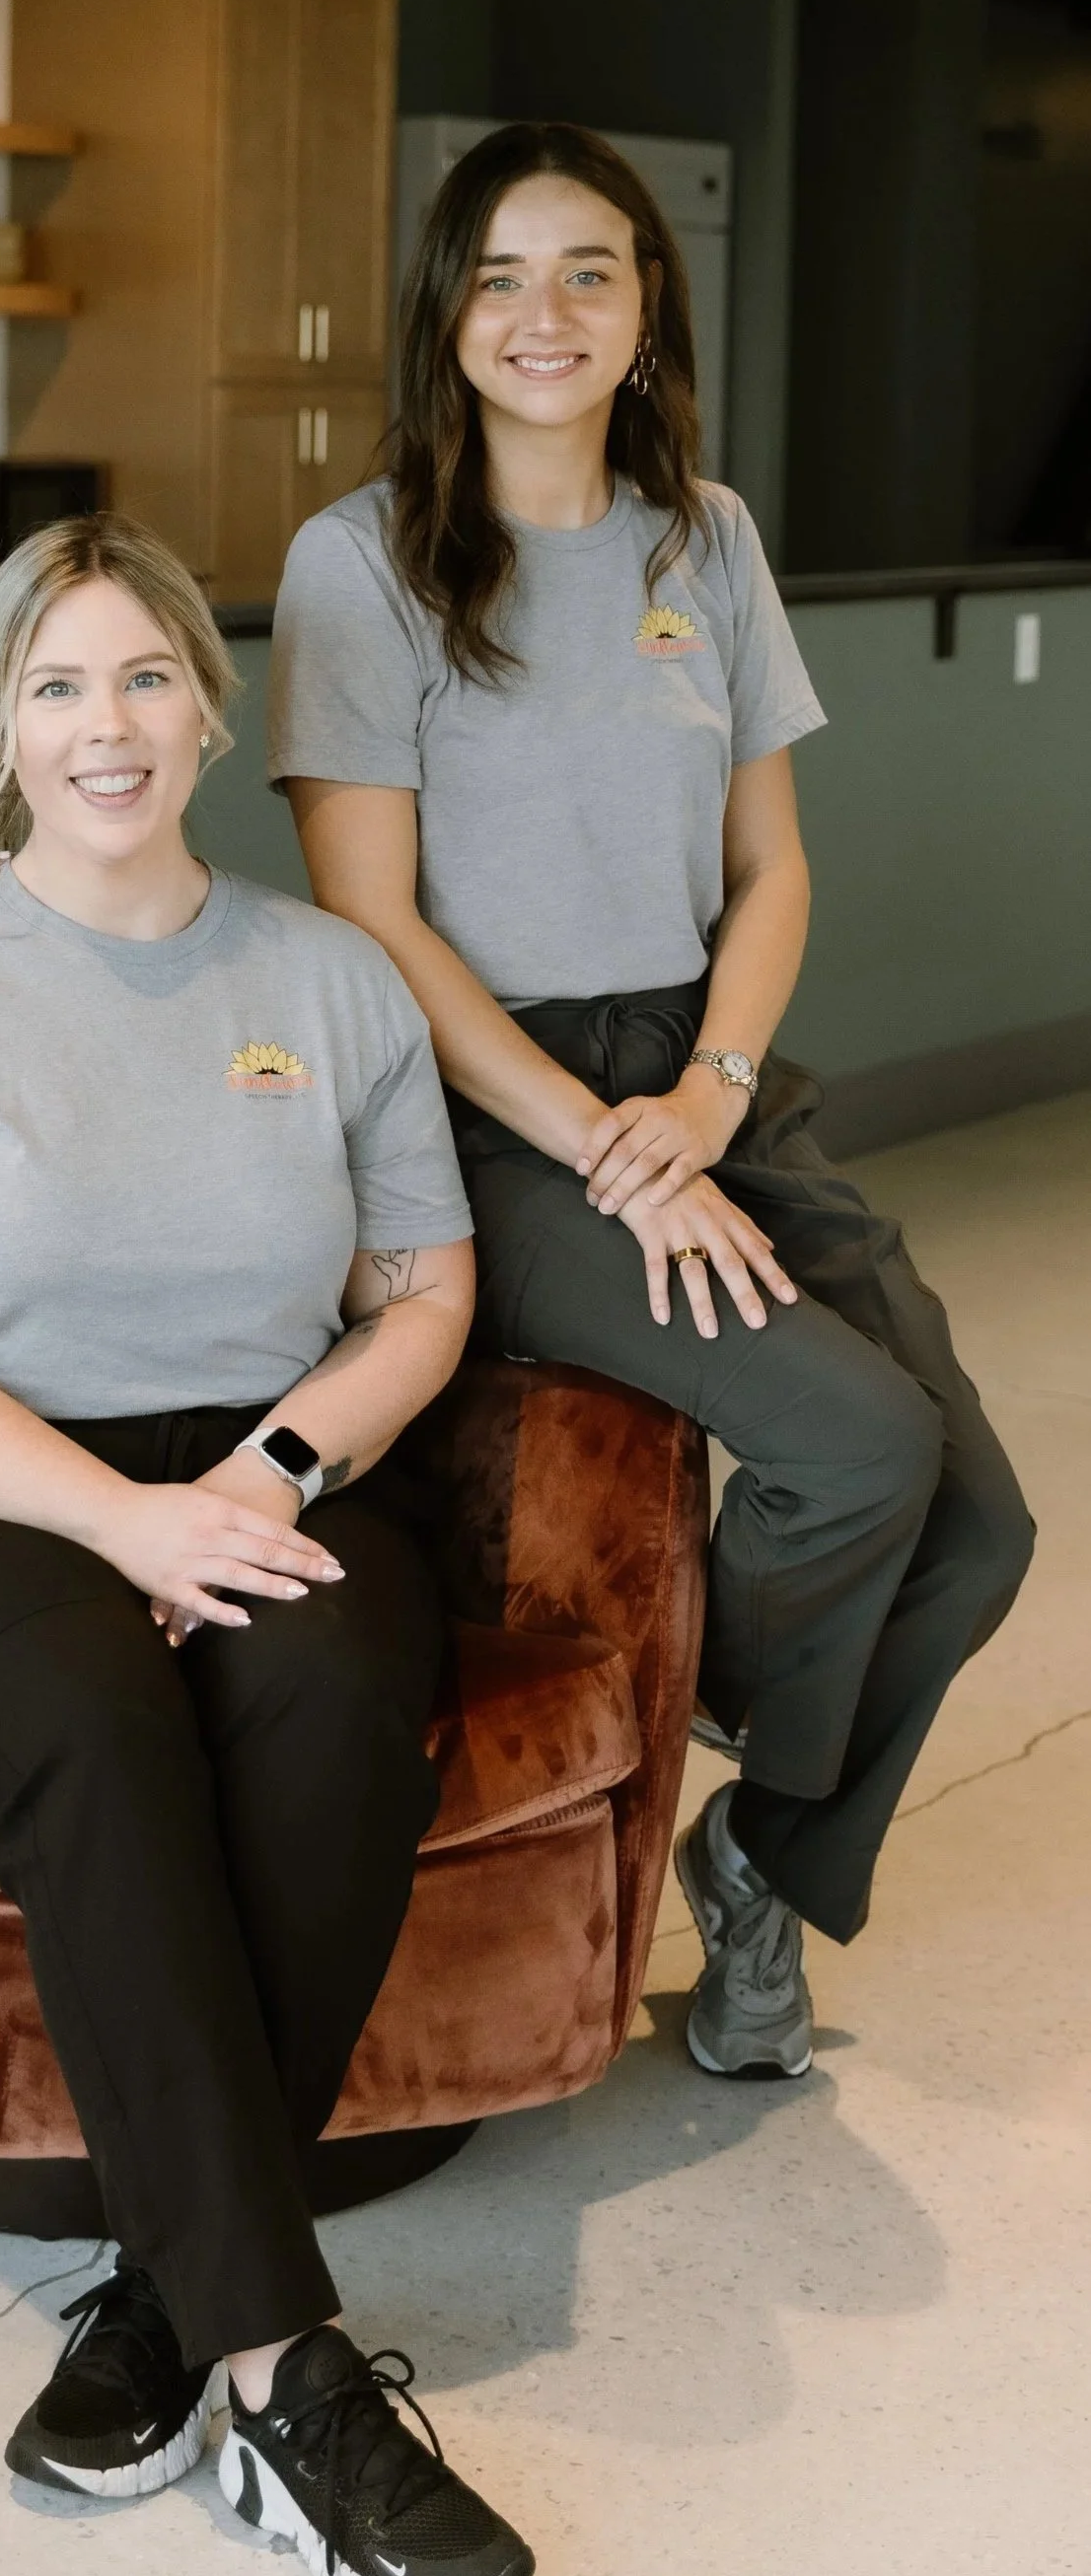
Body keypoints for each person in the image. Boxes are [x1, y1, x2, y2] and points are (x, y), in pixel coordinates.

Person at [0, 514, 536, 2576]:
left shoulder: (325, 972)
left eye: (139, 677)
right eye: (53, 684)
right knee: (100, 1731)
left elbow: (423, 1290)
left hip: (274, 1464)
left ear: (207, 700)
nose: (101, 725)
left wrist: (274, 1474)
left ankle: (162, 2295)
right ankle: (293, 2384)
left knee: (326, 1698)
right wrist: (111, 1518)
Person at [269, 119, 1034, 2084]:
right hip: (486, 1111)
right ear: (445, 313)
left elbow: (768, 869)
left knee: (980, 1529)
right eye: (502, 275)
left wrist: (698, 1097)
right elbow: (371, 924)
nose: (545, 315)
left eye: (588, 271)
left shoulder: (705, 531)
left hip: (702, 1075)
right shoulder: (354, 562)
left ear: (643, 307)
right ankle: (744, 1707)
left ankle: (764, 1848)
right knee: (857, 1450)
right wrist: (605, 1146)